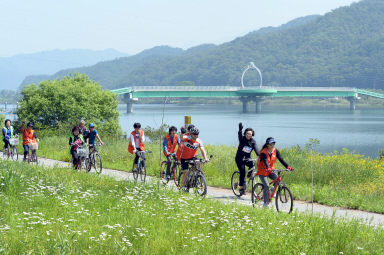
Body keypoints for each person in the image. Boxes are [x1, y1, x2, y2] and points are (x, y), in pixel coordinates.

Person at [256, 137, 293, 208]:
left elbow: (281, 159)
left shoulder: (276, 151)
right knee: (266, 185)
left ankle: (272, 190)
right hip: (262, 171)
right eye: (271, 144)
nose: (273, 145)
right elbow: (265, 161)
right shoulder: (263, 152)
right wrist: (268, 168)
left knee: (278, 180)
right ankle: (265, 203)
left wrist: (287, 167)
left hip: (270, 170)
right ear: (267, 145)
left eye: (274, 143)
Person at [235, 122, 260, 196]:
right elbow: (240, 135)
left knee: (252, 166)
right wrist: (240, 130)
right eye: (247, 133)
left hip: (247, 158)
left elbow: (257, 151)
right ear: (245, 134)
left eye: (250, 134)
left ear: (252, 134)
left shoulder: (253, 142)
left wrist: (260, 156)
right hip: (239, 158)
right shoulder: (242, 139)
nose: (249, 135)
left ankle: (244, 179)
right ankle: (241, 188)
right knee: (242, 171)